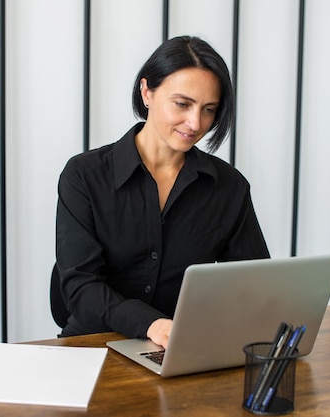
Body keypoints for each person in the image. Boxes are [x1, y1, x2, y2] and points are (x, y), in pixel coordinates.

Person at [51, 35, 270, 348]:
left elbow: (254, 283)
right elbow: (79, 286)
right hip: (94, 342)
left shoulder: (229, 186)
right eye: (182, 104)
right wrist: (151, 323)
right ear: (147, 92)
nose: (195, 123)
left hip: (180, 347)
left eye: (209, 109)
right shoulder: (84, 176)